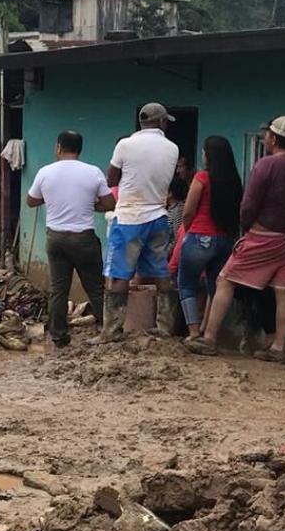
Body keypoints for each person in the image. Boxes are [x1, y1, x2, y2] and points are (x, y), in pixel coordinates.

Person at [187, 116, 285, 362]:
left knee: (225, 280)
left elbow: (248, 205)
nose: (265, 138)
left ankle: (209, 338)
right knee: (284, 292)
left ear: (274, 138)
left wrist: (246, 229)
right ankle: (278, 348)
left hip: (263, 236)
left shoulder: (265, 166)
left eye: (267, 134)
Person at [93, 102, 180, 343]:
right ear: (161, 122)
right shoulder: (172, 148)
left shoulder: (125, 145)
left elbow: (112, 179)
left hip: (129, 218)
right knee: (161, 272)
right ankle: (164, 327)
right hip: (159, 217)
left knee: (119, 275)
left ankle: (112, 330)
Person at [26, 130, 116, 348]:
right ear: (79, 149)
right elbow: (110, 204)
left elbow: (31, 200)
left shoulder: (45, 172)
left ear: (58, 147)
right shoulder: (93, 172)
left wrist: (52, 199)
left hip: (55, 239)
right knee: (95, 288)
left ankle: (58, 336)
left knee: (58, 289)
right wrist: (88, 204)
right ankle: (109, 331)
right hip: (83, 239)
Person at [176, 136, 243, 339]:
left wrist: (189, 232)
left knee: (186, 285)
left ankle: (193, 331)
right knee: (216, 287)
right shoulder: (234, 182)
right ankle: (209, 333)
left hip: (199, 237)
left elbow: (188, 211)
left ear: (209, 155)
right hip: (224, 241)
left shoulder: (202, 178)